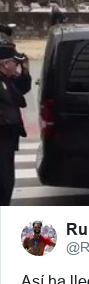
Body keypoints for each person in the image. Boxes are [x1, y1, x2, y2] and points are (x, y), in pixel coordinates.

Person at [0, 43, 31, 206]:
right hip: (2, 139)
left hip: (8, 139)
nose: (17, 65)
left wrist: (25, 69)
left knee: (7, 181)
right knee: (4, 183)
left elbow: (23, 89)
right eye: (15, 62)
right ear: (5, 64)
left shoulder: (7, 79)